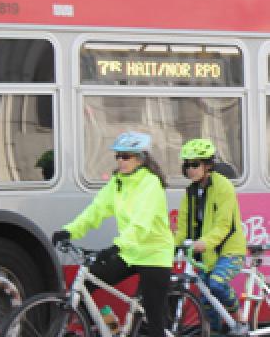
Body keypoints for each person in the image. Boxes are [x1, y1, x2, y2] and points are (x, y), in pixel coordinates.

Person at [52, 131, 173, 337]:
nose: (120, 161)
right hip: (130, 252)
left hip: (154, 255)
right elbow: (95, 211)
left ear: (140, 158)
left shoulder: (150, 184)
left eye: (126, 156)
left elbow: (140, 224)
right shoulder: (117, 182)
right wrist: (69, 230)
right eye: (117, 156)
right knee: (87, 285)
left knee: (154, 321)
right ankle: (96, 329)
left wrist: (116, 247)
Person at [174, 138, 246, 333]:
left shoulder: (223, 186)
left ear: (207, 165)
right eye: (187, 165)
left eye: (195, 164)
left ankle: (239, 317)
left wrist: (204, 243)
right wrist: (169, 245)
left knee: (216, 283)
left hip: (230, 251)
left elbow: (224, 225)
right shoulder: (189, 192)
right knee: (206, 303)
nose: (190, 169)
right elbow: (182, 229)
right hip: (206, 256)